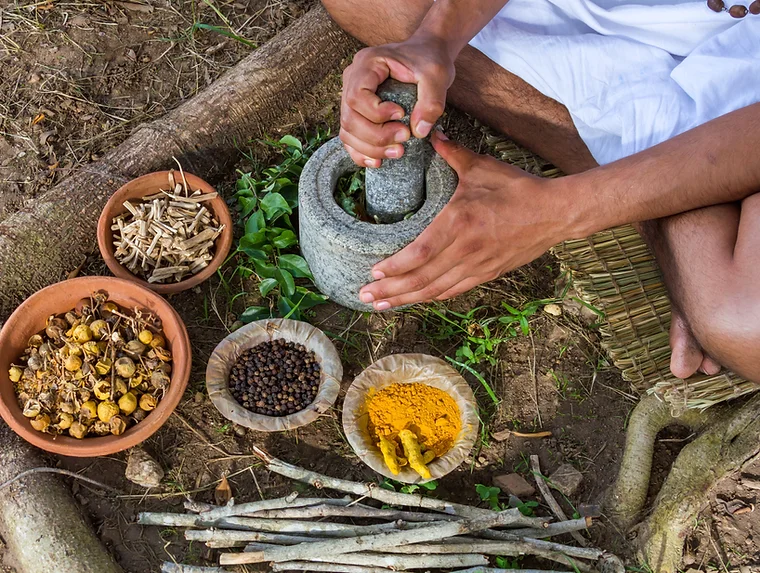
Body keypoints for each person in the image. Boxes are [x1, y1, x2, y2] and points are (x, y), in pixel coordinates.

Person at [320, 0, 760, 383]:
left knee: (745, 323)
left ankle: (664, 193)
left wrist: (555, 211)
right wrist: (435, 38)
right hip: (600, 30)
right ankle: (667, 191)